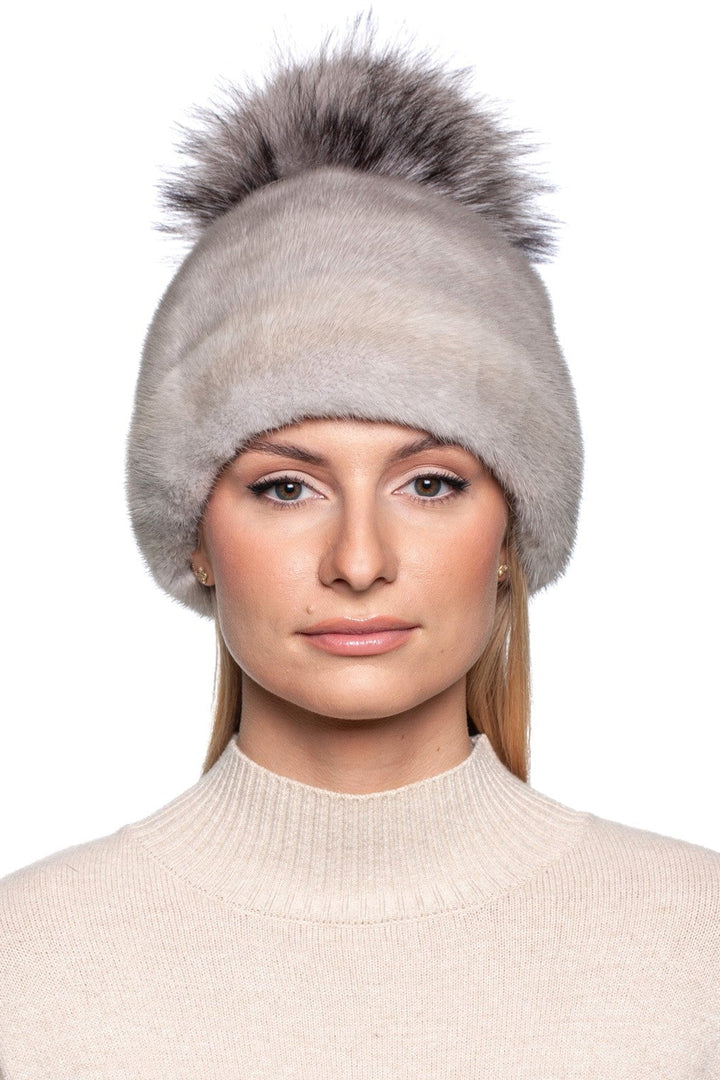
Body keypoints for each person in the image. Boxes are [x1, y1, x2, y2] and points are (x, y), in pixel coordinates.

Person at [1, 28, 718, 1079]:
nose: (359, 560)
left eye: (431, 484)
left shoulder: (695, 950)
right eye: (286, 487)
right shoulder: (28, 962)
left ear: (512, 533)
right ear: (197, 534)